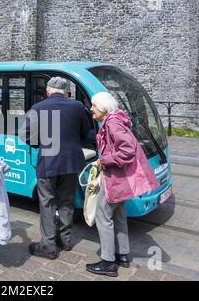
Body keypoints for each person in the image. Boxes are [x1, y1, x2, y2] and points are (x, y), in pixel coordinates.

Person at [86, 92, 159, 277]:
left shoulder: (112, 124)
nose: (91, 109)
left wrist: (104, 160)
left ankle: (108, 262)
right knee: (118, 215)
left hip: (116, 180)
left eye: (94, 106)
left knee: (103, 217)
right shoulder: (115, 121)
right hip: (120, 180)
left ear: (103, 108)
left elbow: (127, 151)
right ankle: (123, 255)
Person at [18, 77, 90, 260]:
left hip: (48, 162)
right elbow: (85, 133)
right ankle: (65, 241)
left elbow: (25, 136)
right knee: (66, 201)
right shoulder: (77, 107)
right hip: (72, 162)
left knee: (47, 203)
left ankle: (48, 246)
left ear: (48, 91)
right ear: (65, 92)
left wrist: (39, 144)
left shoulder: (38, 108)